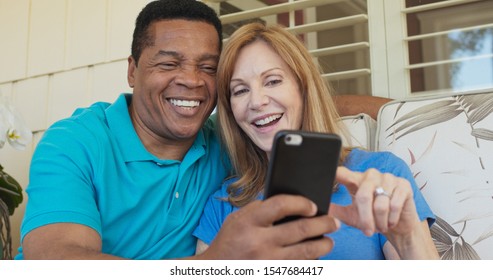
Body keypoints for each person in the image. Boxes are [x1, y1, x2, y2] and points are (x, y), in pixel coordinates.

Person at [16, 0, 339, 260]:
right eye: (169, 64)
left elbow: (291, 104)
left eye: (208, 68)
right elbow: (56, 260)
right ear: (133, 70)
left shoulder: (228, 137)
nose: (192, 80)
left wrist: (388, 110)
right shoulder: (74, 142)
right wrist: (213, 264)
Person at [193, 22, 440, 259]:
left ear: (303, 89)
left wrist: (409, 239)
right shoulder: (223, 203)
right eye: (240, 90)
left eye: (273, 81)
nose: (256, 101)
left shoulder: (380, 174)